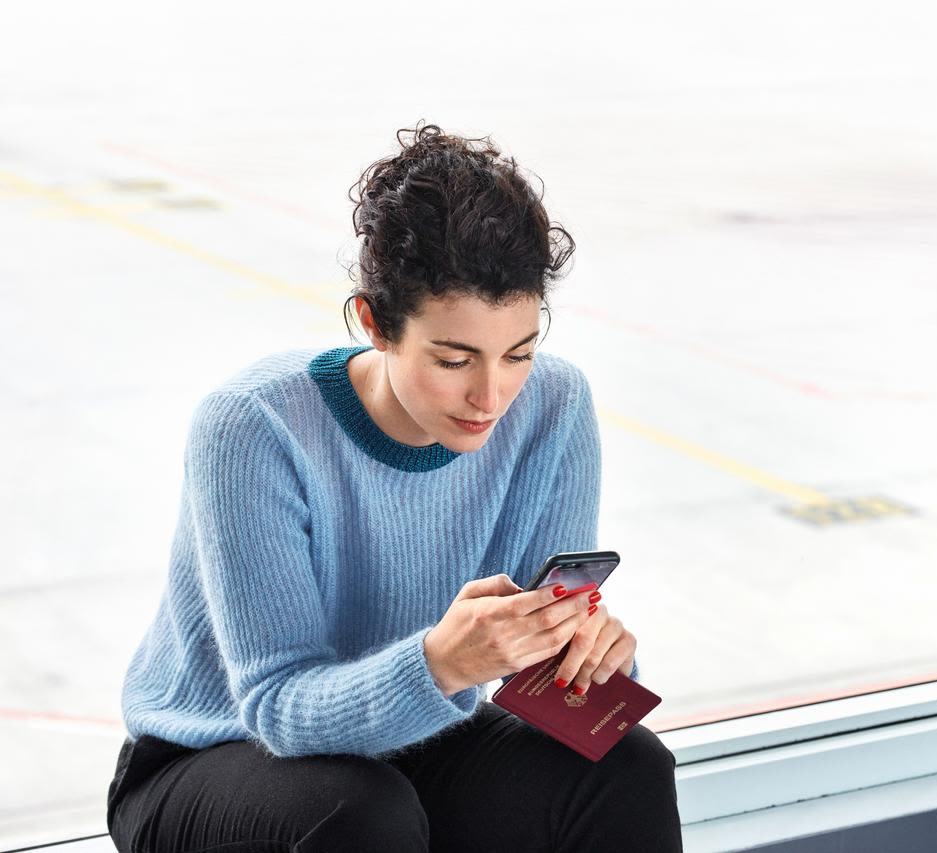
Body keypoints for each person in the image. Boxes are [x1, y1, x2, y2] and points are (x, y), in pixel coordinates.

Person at [106, 121, 683, 853]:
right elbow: (278, 707)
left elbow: (540, 679)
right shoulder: (253, 427)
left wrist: (593, 660)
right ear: (375, 323)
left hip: (424, 738)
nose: (491, 394)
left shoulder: (555, 406)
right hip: (212, 755)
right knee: (358, 810)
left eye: (519, 353)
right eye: (453, 358)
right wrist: (443, 662)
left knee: (628, 763)